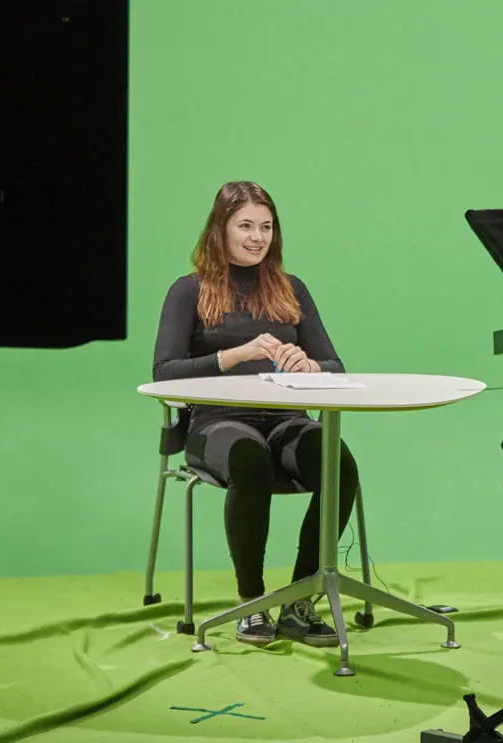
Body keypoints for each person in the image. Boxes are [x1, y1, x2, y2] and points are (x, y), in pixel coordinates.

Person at [152, 180, 360, 648]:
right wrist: (235, 355)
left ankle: (301, 600)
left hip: (285, 420)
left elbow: (335, 365)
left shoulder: (292, 290)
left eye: (266, 227)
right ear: (219, 230)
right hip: (216, 424)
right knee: (249, 459)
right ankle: (252, 601)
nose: (256, 237)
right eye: (245, 225)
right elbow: (164, 373)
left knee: (339, 464)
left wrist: (309, 365)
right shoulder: (189, 291)